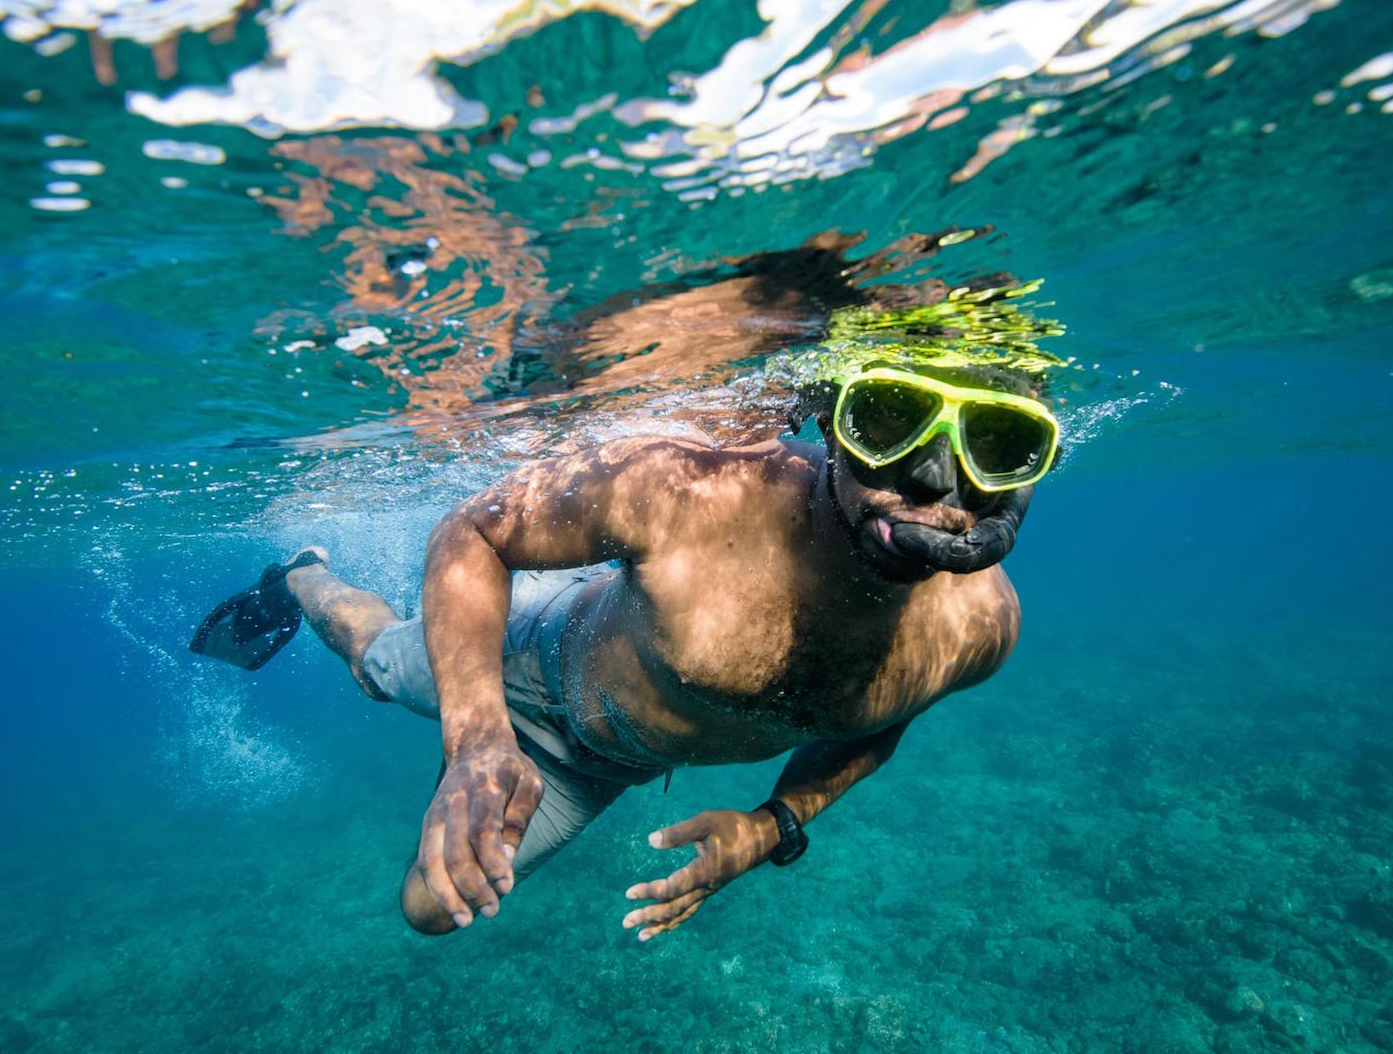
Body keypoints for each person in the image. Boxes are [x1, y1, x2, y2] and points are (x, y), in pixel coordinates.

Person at [191, 338, 1060, 942]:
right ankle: (300, 575)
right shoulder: (692, 490)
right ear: (830, 421)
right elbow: (474, 532)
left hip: (600, 762)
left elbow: (881, 718)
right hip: (530, 663)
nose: (936, 486)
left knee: (428, 910)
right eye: (888, 421)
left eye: (999, 444)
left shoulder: (982, 629)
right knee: (378, 666)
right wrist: (478, 735)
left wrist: (776, 824)